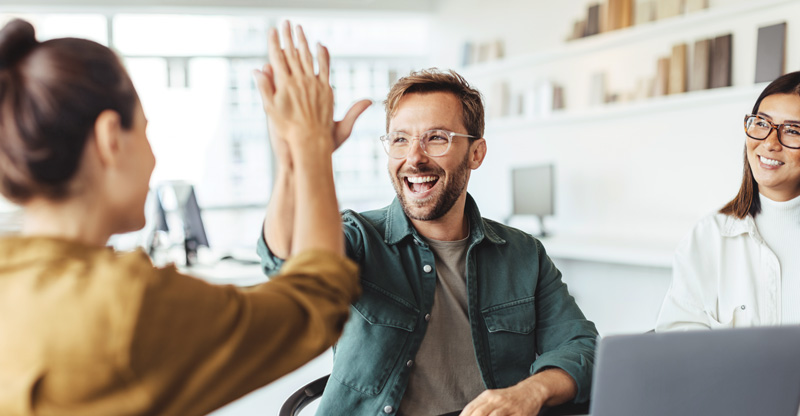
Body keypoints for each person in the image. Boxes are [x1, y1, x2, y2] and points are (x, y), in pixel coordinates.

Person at [0, 19, 362, 415]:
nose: (154, 158)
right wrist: (311, 144)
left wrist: (294, 161)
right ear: (110, 138)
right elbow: (315, 303)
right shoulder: (125, 304)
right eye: (145, 132)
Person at [258, 27, 598, 416]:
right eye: (400, 139)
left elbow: (582, 347)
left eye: (436, 138)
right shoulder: (359, 238)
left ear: (476, 153)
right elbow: (285, 261)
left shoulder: (524, 254)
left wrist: (530, 392)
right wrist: (295, 158)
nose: (415, 157)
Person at [656, 71, 800, 331]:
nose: (769, 143)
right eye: (762, 123)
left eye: (792, 130)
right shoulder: (708, 236)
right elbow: (679, 341)